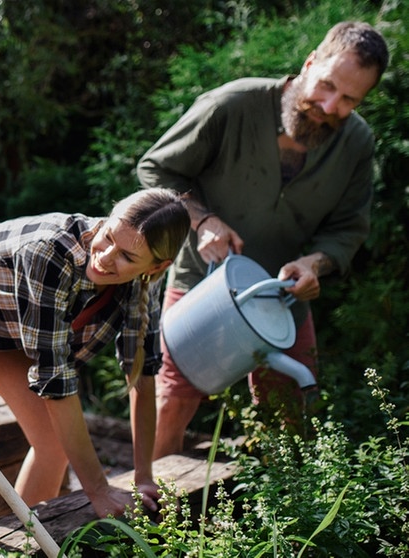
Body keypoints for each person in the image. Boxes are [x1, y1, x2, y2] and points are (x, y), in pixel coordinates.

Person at [138, 21, 390, 459]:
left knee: (290, 408)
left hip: (283, 297)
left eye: (350, 99)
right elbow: (158, 170)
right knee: (173, 399)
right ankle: (151, 516)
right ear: (310, 62)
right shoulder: (233, 104)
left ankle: (284, 514)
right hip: (203, 280)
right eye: (327, 85)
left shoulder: (358, 142)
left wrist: (316, 263)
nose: (330, 106)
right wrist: (202, 220)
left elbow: (348, 227)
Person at [0, 188, 191, 534]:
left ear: (157, 267)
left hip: (5, 316)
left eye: (126, 256)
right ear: (108, 218)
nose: (106, 257)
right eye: (107, 237)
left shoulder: (144, 282)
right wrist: (98, 488)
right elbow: (55, 382)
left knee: (51, 445)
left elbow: (141, 373)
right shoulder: (49, 253)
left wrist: (143, 476)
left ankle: (20, 547)